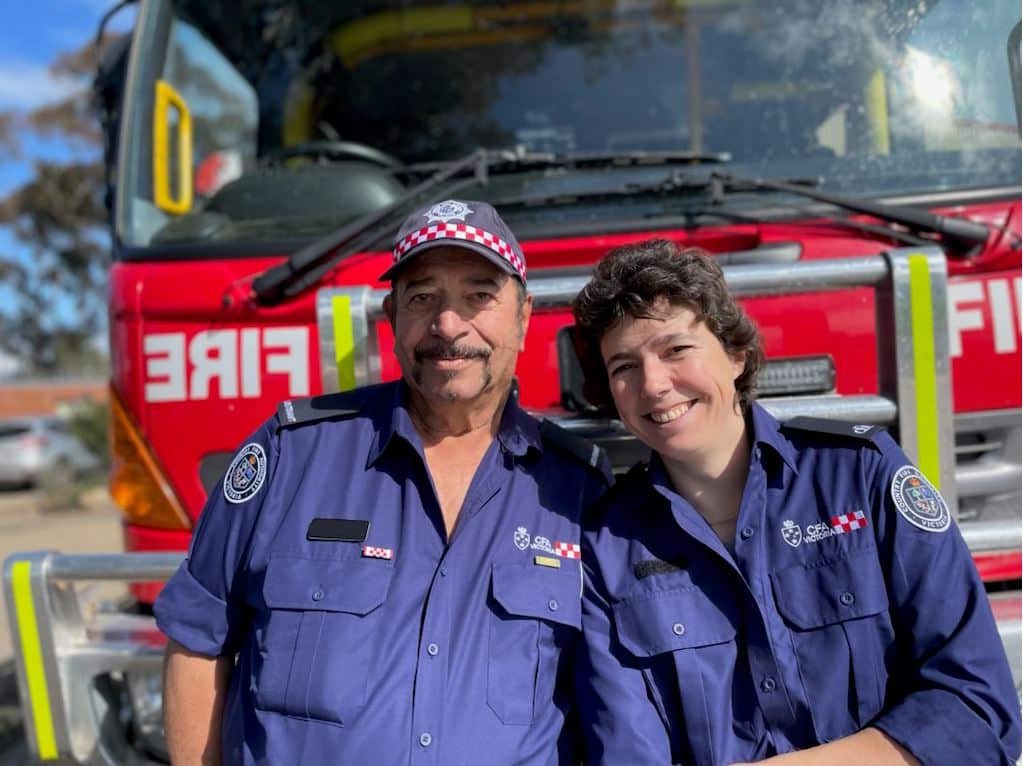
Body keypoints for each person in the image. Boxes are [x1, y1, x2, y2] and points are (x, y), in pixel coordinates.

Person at [154, 199, 612, 765]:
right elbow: (199, 640)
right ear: (392, 316)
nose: (449, 325)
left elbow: (612, 703)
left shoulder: (579, 488)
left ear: (522, 316)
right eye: (423, 298)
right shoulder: (290, 454)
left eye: (479, 295)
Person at [570, 239, 1021, 766]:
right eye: (624, 366)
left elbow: (977, 705)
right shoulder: (604, 549)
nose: (653, 384)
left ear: (736, 355)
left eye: (676, 350)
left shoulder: (863, 476)